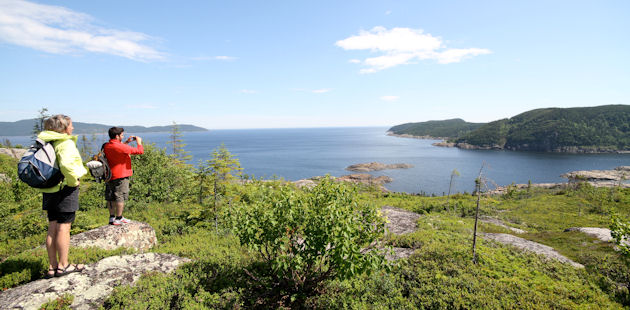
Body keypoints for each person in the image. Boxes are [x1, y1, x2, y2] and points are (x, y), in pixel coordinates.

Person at [38, 114, 87, 278]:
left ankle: (52, 267)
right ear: (64, 128)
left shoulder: (47, 142)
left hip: (49, 189)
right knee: (64, 227)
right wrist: (73, 182)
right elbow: (66, 165)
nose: (72, 128)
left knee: (52, 226)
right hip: (64, 189)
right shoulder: (65, 143)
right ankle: (64, 265)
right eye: (71, 125)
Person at [103, 127, 143, 225]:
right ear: (117, 136)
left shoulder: (107, 145)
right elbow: (139, 151)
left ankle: (112, 217)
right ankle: (119, 218)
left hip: (109, 175)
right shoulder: (121, 147)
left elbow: (119, 148)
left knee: (111, 196)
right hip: (121, 174)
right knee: (120, 196)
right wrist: (139, 142)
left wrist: (126, 142)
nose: (123, 136)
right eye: (122, 135)